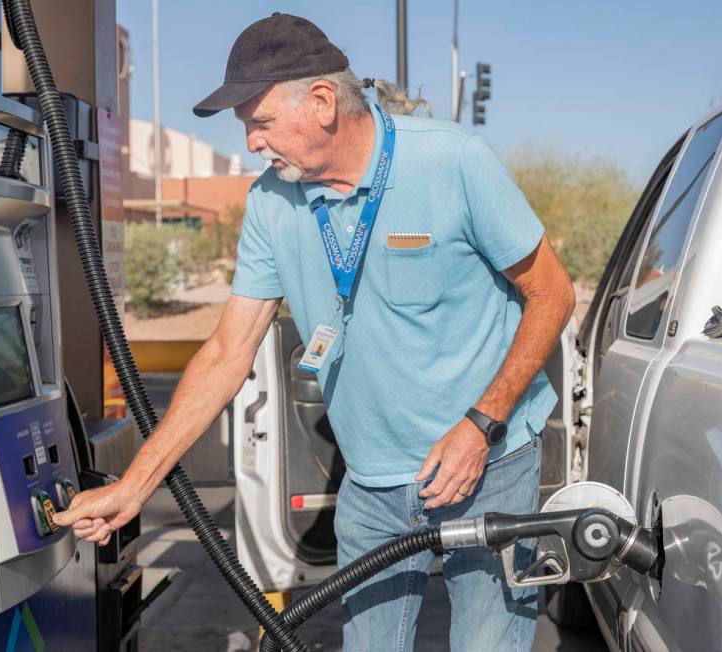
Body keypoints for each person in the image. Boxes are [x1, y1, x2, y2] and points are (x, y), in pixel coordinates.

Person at [53, 12, 575, 651]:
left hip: (490, 462)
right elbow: (227, 352)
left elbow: (552, 293)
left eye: (260, 121)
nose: (250, 142)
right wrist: (134, 487)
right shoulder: (273, 203)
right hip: (374, 484)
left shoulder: (452, 162)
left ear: (323, 102)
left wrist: (481, 423)